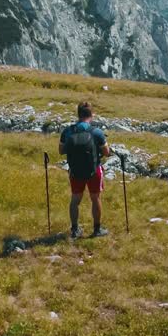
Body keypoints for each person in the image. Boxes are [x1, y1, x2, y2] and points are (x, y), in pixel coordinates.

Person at [60, 101, 110, 238]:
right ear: (91, 115)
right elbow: (106, 152)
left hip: (75, 171)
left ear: (78, 114)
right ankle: (97, 229)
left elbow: (61, 150)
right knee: (95, 198)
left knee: (75, 199)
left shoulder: (68, 131)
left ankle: (75, 230)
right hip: (93, 171)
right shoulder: (97, 132)